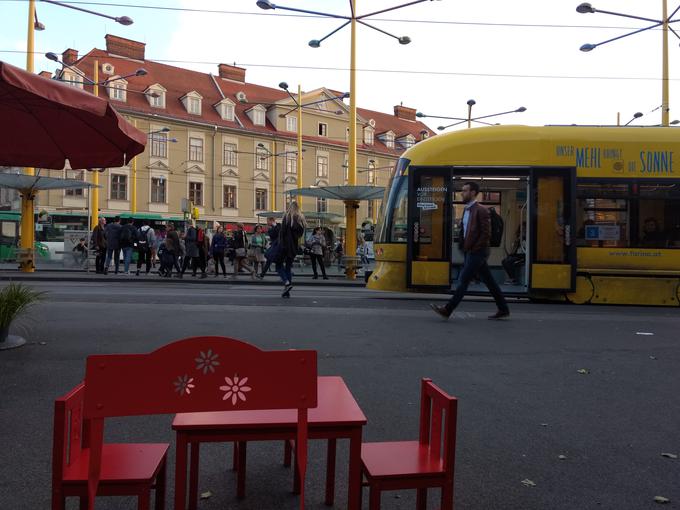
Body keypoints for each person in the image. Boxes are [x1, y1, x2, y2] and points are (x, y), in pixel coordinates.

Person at [430, 181, 510, 320]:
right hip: (470, 252)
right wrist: (464, 247)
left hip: (477, 252)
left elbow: (486, 234)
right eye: (463, 190)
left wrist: (474, 249)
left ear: (473, 193)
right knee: (490, 281)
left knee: (463, 280)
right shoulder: (467, 210)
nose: (462, 193)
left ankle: (447, 310)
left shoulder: (481, 210)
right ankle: (503, 309)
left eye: (465, 190)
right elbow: (465, 232)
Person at [277, 201, 306, 298]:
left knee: (278, 265)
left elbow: (283, 232)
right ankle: (287, 291)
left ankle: (287, 283)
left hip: (285, 246)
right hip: (293, 246)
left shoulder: (287, 217)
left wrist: (280, 243)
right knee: (288, 267)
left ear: (290, 207)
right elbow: (300, 235)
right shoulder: (300, 219)